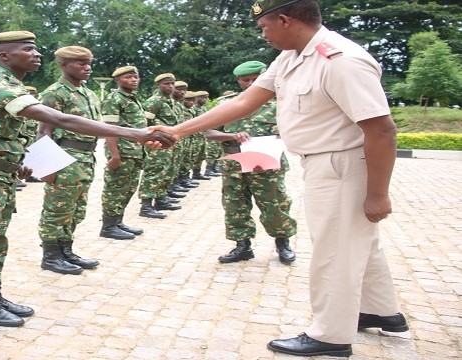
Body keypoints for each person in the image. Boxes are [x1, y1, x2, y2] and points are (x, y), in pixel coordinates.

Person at [153, 0, 406, 356]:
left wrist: (378, 194)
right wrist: (178, 131)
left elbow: (382, 131)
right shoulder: (292, 56)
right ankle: (381, 311)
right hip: (323, 163)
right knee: (360, 243)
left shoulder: (341, 61)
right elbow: (243, 103)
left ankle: (330, 336)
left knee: (335, 250)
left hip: (342, 165)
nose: (263, 33)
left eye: (264, 27)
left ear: (285, 20)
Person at [0, 30, 174, 327]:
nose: (37, 54)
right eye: (28, 49)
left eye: (36, 49)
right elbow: (60, 120)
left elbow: (5, 134)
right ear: (4, 56)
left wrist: (21, 161)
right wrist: (136, 133)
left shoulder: (13, 85)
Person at [205, 60, 297, 265]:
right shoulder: (227, 103)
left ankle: (283, 243)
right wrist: (230, 135)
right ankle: (242, 245)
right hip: (234, 164)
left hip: (267, 164)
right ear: (238, 81)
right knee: (235, 205)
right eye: (245, 80)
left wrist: (282, 135)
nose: (250, 84)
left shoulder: (280, 102)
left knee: (275, 204)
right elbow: (209, 132)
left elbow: (297, 127)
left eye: (255, 80)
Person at [35, 46, 104, 275]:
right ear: (64, 65)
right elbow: (44, 132)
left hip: (86, 158)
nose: (87, 68)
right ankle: (51, 256)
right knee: (57, 210)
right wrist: (47, 168)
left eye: (89, 63)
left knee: (76, 209)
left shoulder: (89, 93)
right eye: (81, 63)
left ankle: (66, 251)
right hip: (64, 157)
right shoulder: (54, 93)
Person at [99, 66, 148, 240]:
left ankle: (118, 221)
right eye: (129, 77)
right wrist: (114, 155)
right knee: (115, 189)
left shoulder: (133, 98)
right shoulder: (114, 99)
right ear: (118, 80)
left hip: (135, 151)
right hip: (122, 152)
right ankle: (108, 226)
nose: (134, 79)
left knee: (128, 188)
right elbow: (109, 129)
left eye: (136, 76)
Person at [138, 73, 181, 219]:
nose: (170, 86)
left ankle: (161, 198)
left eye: (172, 84)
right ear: (158, 85)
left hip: (169, 143)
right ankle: (146, 205)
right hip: (157, 144)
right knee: (153, 172)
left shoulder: (171, 101)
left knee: (166, 171)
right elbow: (145, 124)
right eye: (166, 84)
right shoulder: (154, 101)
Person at [190, 91, 211, 181]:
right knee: (193, 155)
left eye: (206, 98)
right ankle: (186, 176)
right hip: (195, 136)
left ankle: (197, 173)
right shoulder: (193, 109)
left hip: (202, 135)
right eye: (202, 97)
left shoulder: (203, 109)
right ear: (196, 98)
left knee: (201, 155)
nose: (204, 100)